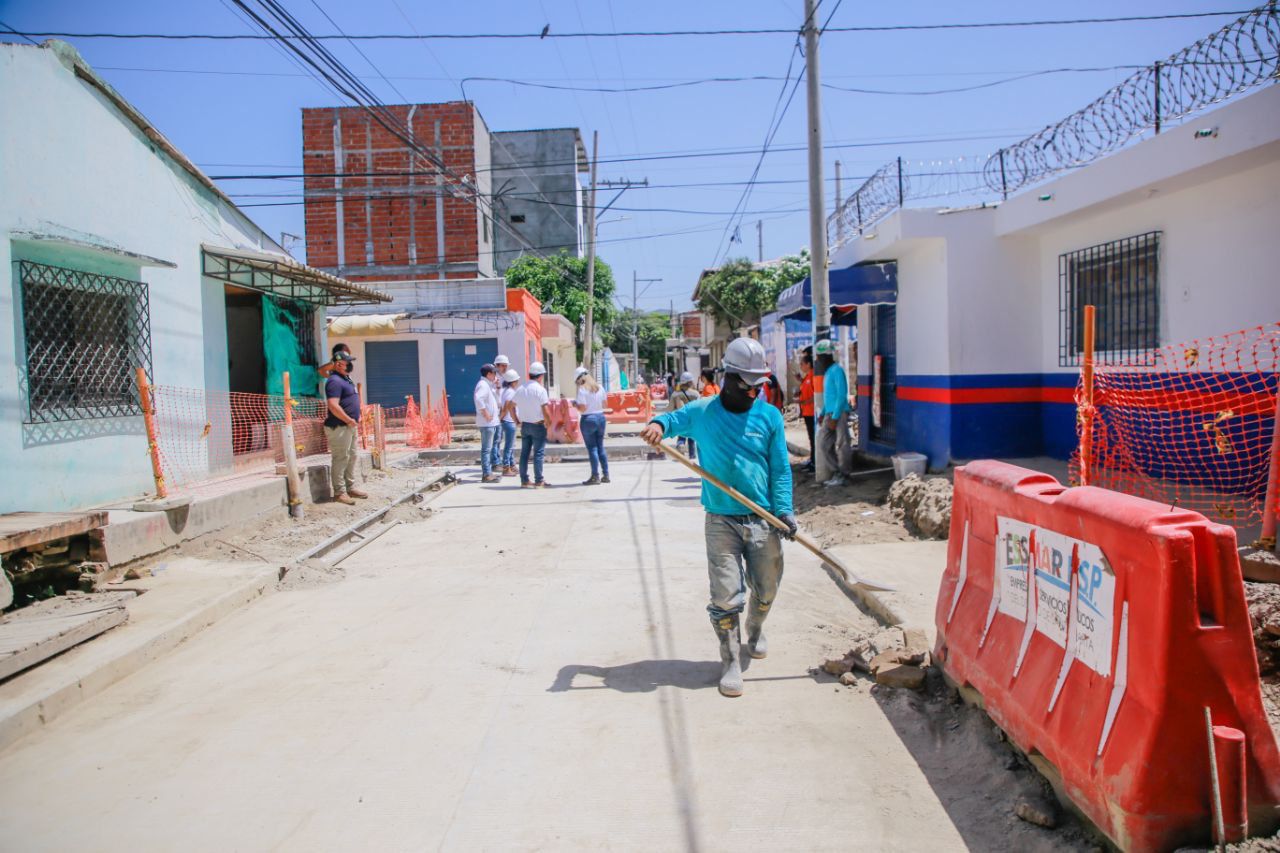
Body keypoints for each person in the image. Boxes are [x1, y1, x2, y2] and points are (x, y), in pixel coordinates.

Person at [640, 338, 796, 698]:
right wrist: (658, 426)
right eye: (748, 385)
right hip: (721, 520)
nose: (755, 391)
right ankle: (729, 660)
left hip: (763, 518)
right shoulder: (704, 411)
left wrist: (784, 509)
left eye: (760, 385)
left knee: (766, 589)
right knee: (726, 596)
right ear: (729, 377)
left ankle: (756, 628)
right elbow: (670, 419)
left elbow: (781, 470)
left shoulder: (769, 416)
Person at [322, 351, 367, 505]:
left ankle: (350, 487)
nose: (349, 365)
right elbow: (333, 406)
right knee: (341, 457)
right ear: (339, 364)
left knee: (352, 455)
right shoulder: (334, 381)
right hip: (340, 426)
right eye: (346, 362)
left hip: (350, 425)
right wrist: (348, 420)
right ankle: (339, 492)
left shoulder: (345, 378)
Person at [815, 339, 851, 486]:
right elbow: (829, 397)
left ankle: (844, 474)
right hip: (830, 413)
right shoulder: (828, 373)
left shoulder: (837, 371)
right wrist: (823, 413)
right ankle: (836, 471)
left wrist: (835, 417)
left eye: (819, 357)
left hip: (839, 413)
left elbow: (841, 396)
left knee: (842, 444)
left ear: (825, 357)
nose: (818, 360)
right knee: (823, 444)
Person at [514, 361, 552, 488]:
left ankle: (524, 480)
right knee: (538, 453)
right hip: (538, 425)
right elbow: (545, 410)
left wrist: (516, 420)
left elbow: (509, 406)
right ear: (540, 376)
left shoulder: (520, 389)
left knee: (524, 453)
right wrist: (549, 422)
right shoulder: (540, 390)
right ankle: (539, 480)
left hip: (525, 425)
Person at [573, 366, 610, 485]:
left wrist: (575, 405)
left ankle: (595, 476)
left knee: (592, 448)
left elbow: (583, 408)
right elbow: (605, 405)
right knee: (600, 447)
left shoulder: (582, 389)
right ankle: (606, 474)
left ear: (579, 379)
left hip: (588, 419)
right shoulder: (600, 387)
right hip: (601, 418)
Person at [474, 363, 502, 483]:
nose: (495, 375)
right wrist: (485, 413)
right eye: (494, 373)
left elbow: (497, 401)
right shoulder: (483, 385)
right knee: (486, 449)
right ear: (489, 374)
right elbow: (478, 398)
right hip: (487, 423)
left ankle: (488, 472)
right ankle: (486, 474)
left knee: (489, 449)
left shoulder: (488, 385)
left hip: (491, 423)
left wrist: (497, 387)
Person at [669, 372, 700, 460]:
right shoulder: (695, 394)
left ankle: (680, 444)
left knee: (681, 435)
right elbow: (699, 407)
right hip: (692, 419)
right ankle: (692, 455)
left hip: (681, 418)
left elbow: (670, 408)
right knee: (691, 438)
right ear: (690, 382)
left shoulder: (676, 394)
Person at [797, 349, 816, 472]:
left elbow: (816, 395)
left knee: (814, 438)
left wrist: (804, 402)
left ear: (808, 364)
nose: (801, 366)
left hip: (812, 412)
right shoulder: (807, 377)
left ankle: (815, 462)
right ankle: (812, 460)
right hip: (807, 412)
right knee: (811, 438)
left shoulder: (813, 376)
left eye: (802, 364)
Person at [498, 368, 520, 477]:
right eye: (517, 381)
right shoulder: (510, 392)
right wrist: (501, 417)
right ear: (513, 382)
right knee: (509, 446)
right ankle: (506, 467)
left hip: (506, 421)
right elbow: (507, 406)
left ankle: (511, 465)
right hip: (509, 421)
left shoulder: (506, 391)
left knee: (510, 445)